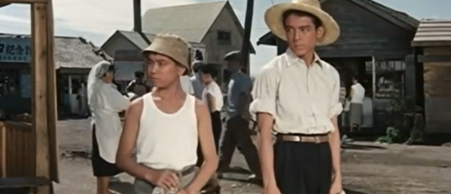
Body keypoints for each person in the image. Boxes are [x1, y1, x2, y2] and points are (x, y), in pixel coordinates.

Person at [251, 0, 344, 194]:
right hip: (289, 155)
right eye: (290, 30)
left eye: (304, 30)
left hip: (322, 155)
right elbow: (264, 132)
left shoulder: (330, 74)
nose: (296, 37)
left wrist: (338, 178)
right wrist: (269, 184)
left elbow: (333, 129)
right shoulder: (272, 72)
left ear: (318, 32)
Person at [116, 33, 218, 194]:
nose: (153, 70)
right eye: (150, 63)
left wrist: (190, 190)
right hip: (146, 185)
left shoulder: (197, 108)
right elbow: (122, 158)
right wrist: (152, 175)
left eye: (162, 63)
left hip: (185, 182)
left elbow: (211, 160)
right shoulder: (138, 107)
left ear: (180, 68)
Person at [87, 61, 130, 194]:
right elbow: (123, 104)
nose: (112, 75)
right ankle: (104, 190)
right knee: (106, 160)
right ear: (105, 73)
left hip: (98, 127)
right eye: (111, 72)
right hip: (108, 129)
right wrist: (131, 97)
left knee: (100, 159)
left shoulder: (96, 87)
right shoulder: (107, 89)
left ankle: (101, 189)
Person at [217, 50, 261, 180]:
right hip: (231, 117)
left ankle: (260, 173)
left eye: (232, 62)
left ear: (239, 64)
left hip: (237, 117)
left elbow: (244, 96)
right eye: (229, 62)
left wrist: (241, 113)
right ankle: (219, 169)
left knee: (246, 146)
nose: (229, 65)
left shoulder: (243, 79)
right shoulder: (232, 79)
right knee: (226, 145)